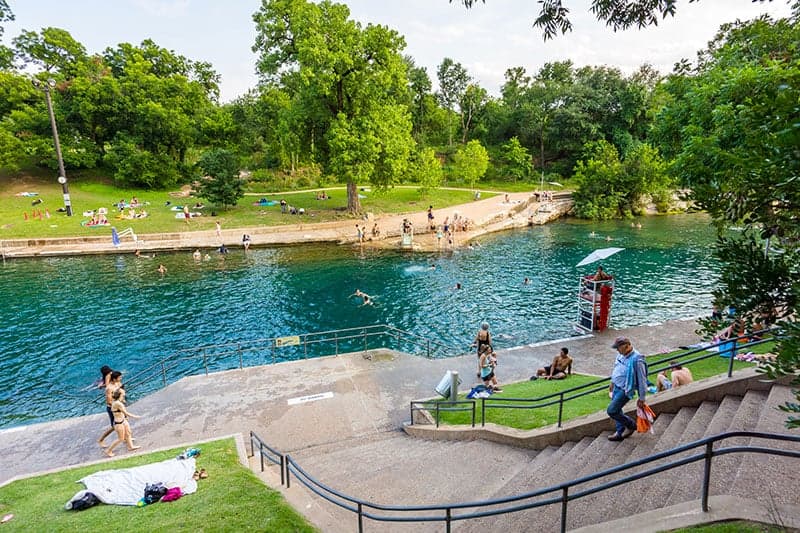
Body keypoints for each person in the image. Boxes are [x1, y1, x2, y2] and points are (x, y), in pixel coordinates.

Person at [607, 337, 648, 441]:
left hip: (625, 390)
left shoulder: (637, 359)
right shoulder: (621, 355)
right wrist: (612, 382)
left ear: (626, 346)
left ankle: (631, 425)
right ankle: (620, 432)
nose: (617, 350)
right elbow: (616, 369)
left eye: (618, 347)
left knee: (612, 411)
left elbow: (642, 379)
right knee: (617, 410)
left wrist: (642, 398)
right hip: (617, 386)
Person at [105, 388, 141, 457]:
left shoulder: (118, 402)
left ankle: (131, 447)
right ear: (120, 395)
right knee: (120, 439)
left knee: (128, 433)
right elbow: (126, 413)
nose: (124, 392)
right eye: (122, 392)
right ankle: (108, 450)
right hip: (119, 423)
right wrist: (136, 417)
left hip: (123, 420)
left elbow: (122, 412)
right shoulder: (118, 403)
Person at [97, 371, 122, 447]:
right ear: (114, 379)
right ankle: (101, 440)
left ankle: (126, 438)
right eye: (119, 377)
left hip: (118, 406)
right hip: (112, 408)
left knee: (124, 423)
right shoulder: (109, 388)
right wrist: (117, 406)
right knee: (114, 426)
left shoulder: (118, 384)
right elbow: (109, 401)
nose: (121, 378)